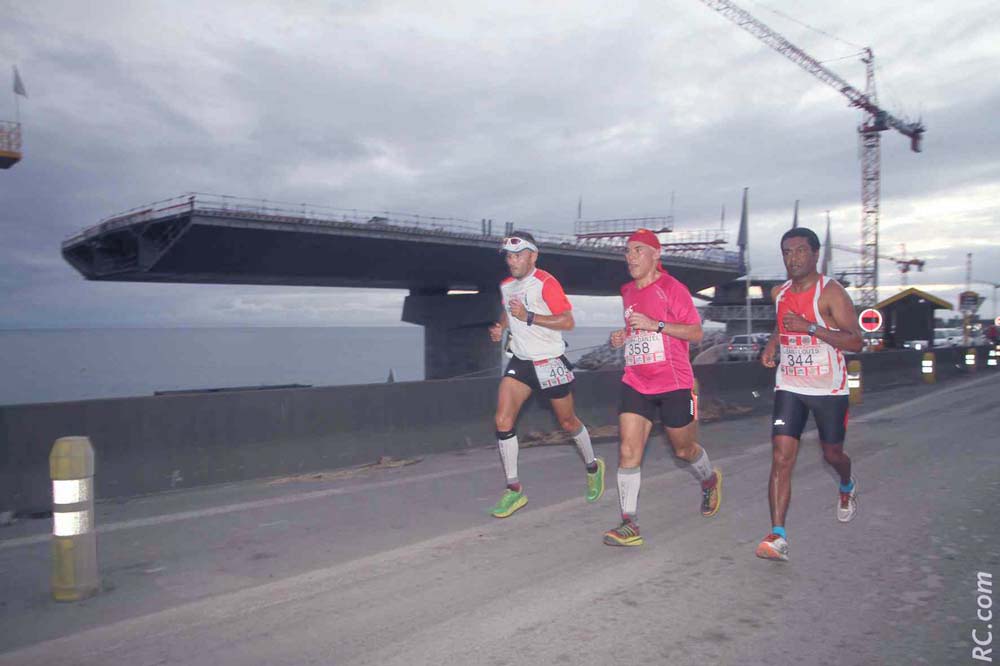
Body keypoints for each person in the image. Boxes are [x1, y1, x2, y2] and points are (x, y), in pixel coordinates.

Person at [602, 229, 722, 547]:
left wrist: (655, 325)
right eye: (627, 252)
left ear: (656, 255)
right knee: (628, 451)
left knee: (684, 450)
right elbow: (637, 329)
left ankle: (709, 479)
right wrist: (623, 336)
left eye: (638, 250)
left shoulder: (672, 288)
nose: (630, 257)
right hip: (637, 381)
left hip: (674, 382)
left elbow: (695, 333)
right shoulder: (627, 291)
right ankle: (630, 523)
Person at [756, 227, 864, 562]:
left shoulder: (830, 293)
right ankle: (778, 536)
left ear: (815, 254)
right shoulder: (781, 293)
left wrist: (812, 328)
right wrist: (773, 345)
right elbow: (781, 324)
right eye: (787, 252)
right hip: (790, 385)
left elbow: (856, 341)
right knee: (781, 457)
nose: (793, 258)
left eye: (800, 251)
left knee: (833, 455)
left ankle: (846, 485)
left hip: (828, 389)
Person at [487, 231, 605, 518]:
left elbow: (567, 321)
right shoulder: (506, 285)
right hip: (521, 361)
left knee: (567, 422)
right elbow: (507, 310)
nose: (512, 261)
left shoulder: (546, 283)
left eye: (518, 255)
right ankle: (514, 491)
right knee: (502, 420)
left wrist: (529, 316)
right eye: (509, 257)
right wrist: (501, 326)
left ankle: (593, 466)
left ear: (533, 256)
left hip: (550, 361)